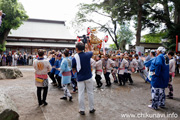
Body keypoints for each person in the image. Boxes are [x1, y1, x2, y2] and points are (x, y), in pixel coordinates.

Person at [72, 42, 95, 115]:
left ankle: (82, 110)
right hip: (88, 76)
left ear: (77, 49)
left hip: (80, 77)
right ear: (84, 48)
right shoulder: (87, 54)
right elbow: (92, 51)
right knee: (90, 93)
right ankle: (91, 108)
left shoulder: (75, 57)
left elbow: (73, 69)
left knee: (81, 94)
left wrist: (75, 75)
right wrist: (88, 43)